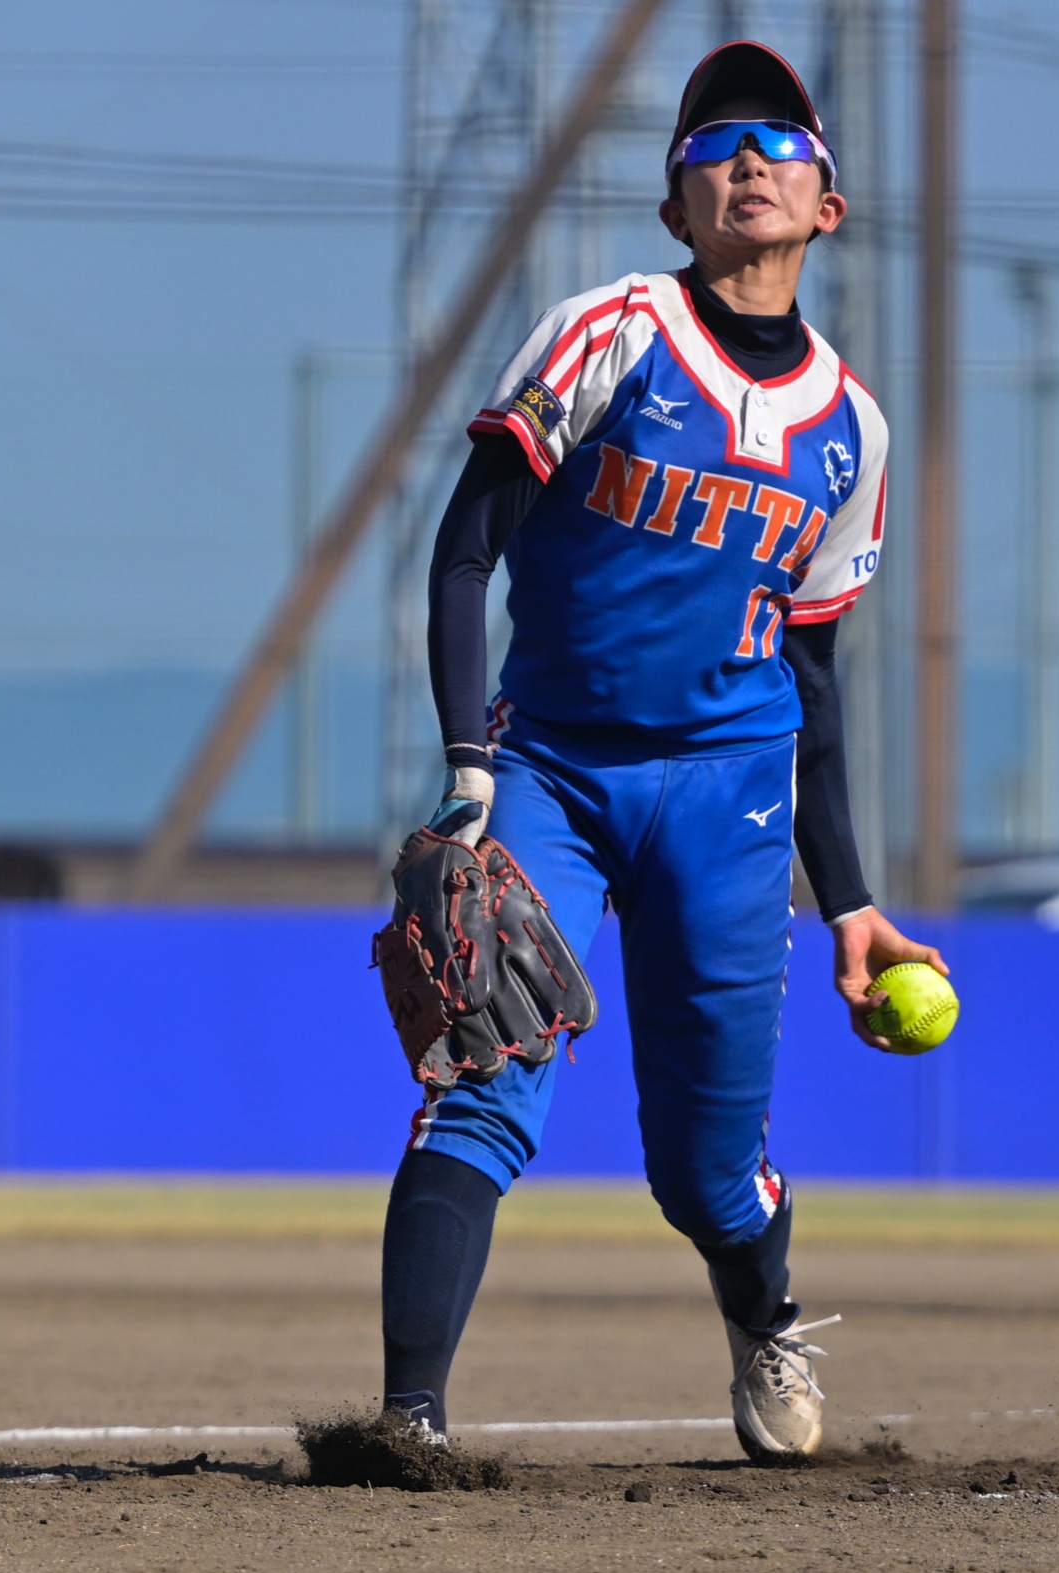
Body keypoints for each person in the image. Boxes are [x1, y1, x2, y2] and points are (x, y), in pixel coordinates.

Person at [377, 39, 945, 1464]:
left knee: (705, 1173)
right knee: (483, 1077)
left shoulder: (851, 431)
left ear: (827, 205)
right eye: (712, 145)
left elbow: (812, 676)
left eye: (778, 142)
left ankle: (763, 1324)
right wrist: (467, 769)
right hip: (552, 773)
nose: (745, 159)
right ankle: (406, 1420)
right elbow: (464, 553)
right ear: (674, 207)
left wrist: (853, 900)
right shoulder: (611, 333)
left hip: (730, 796)